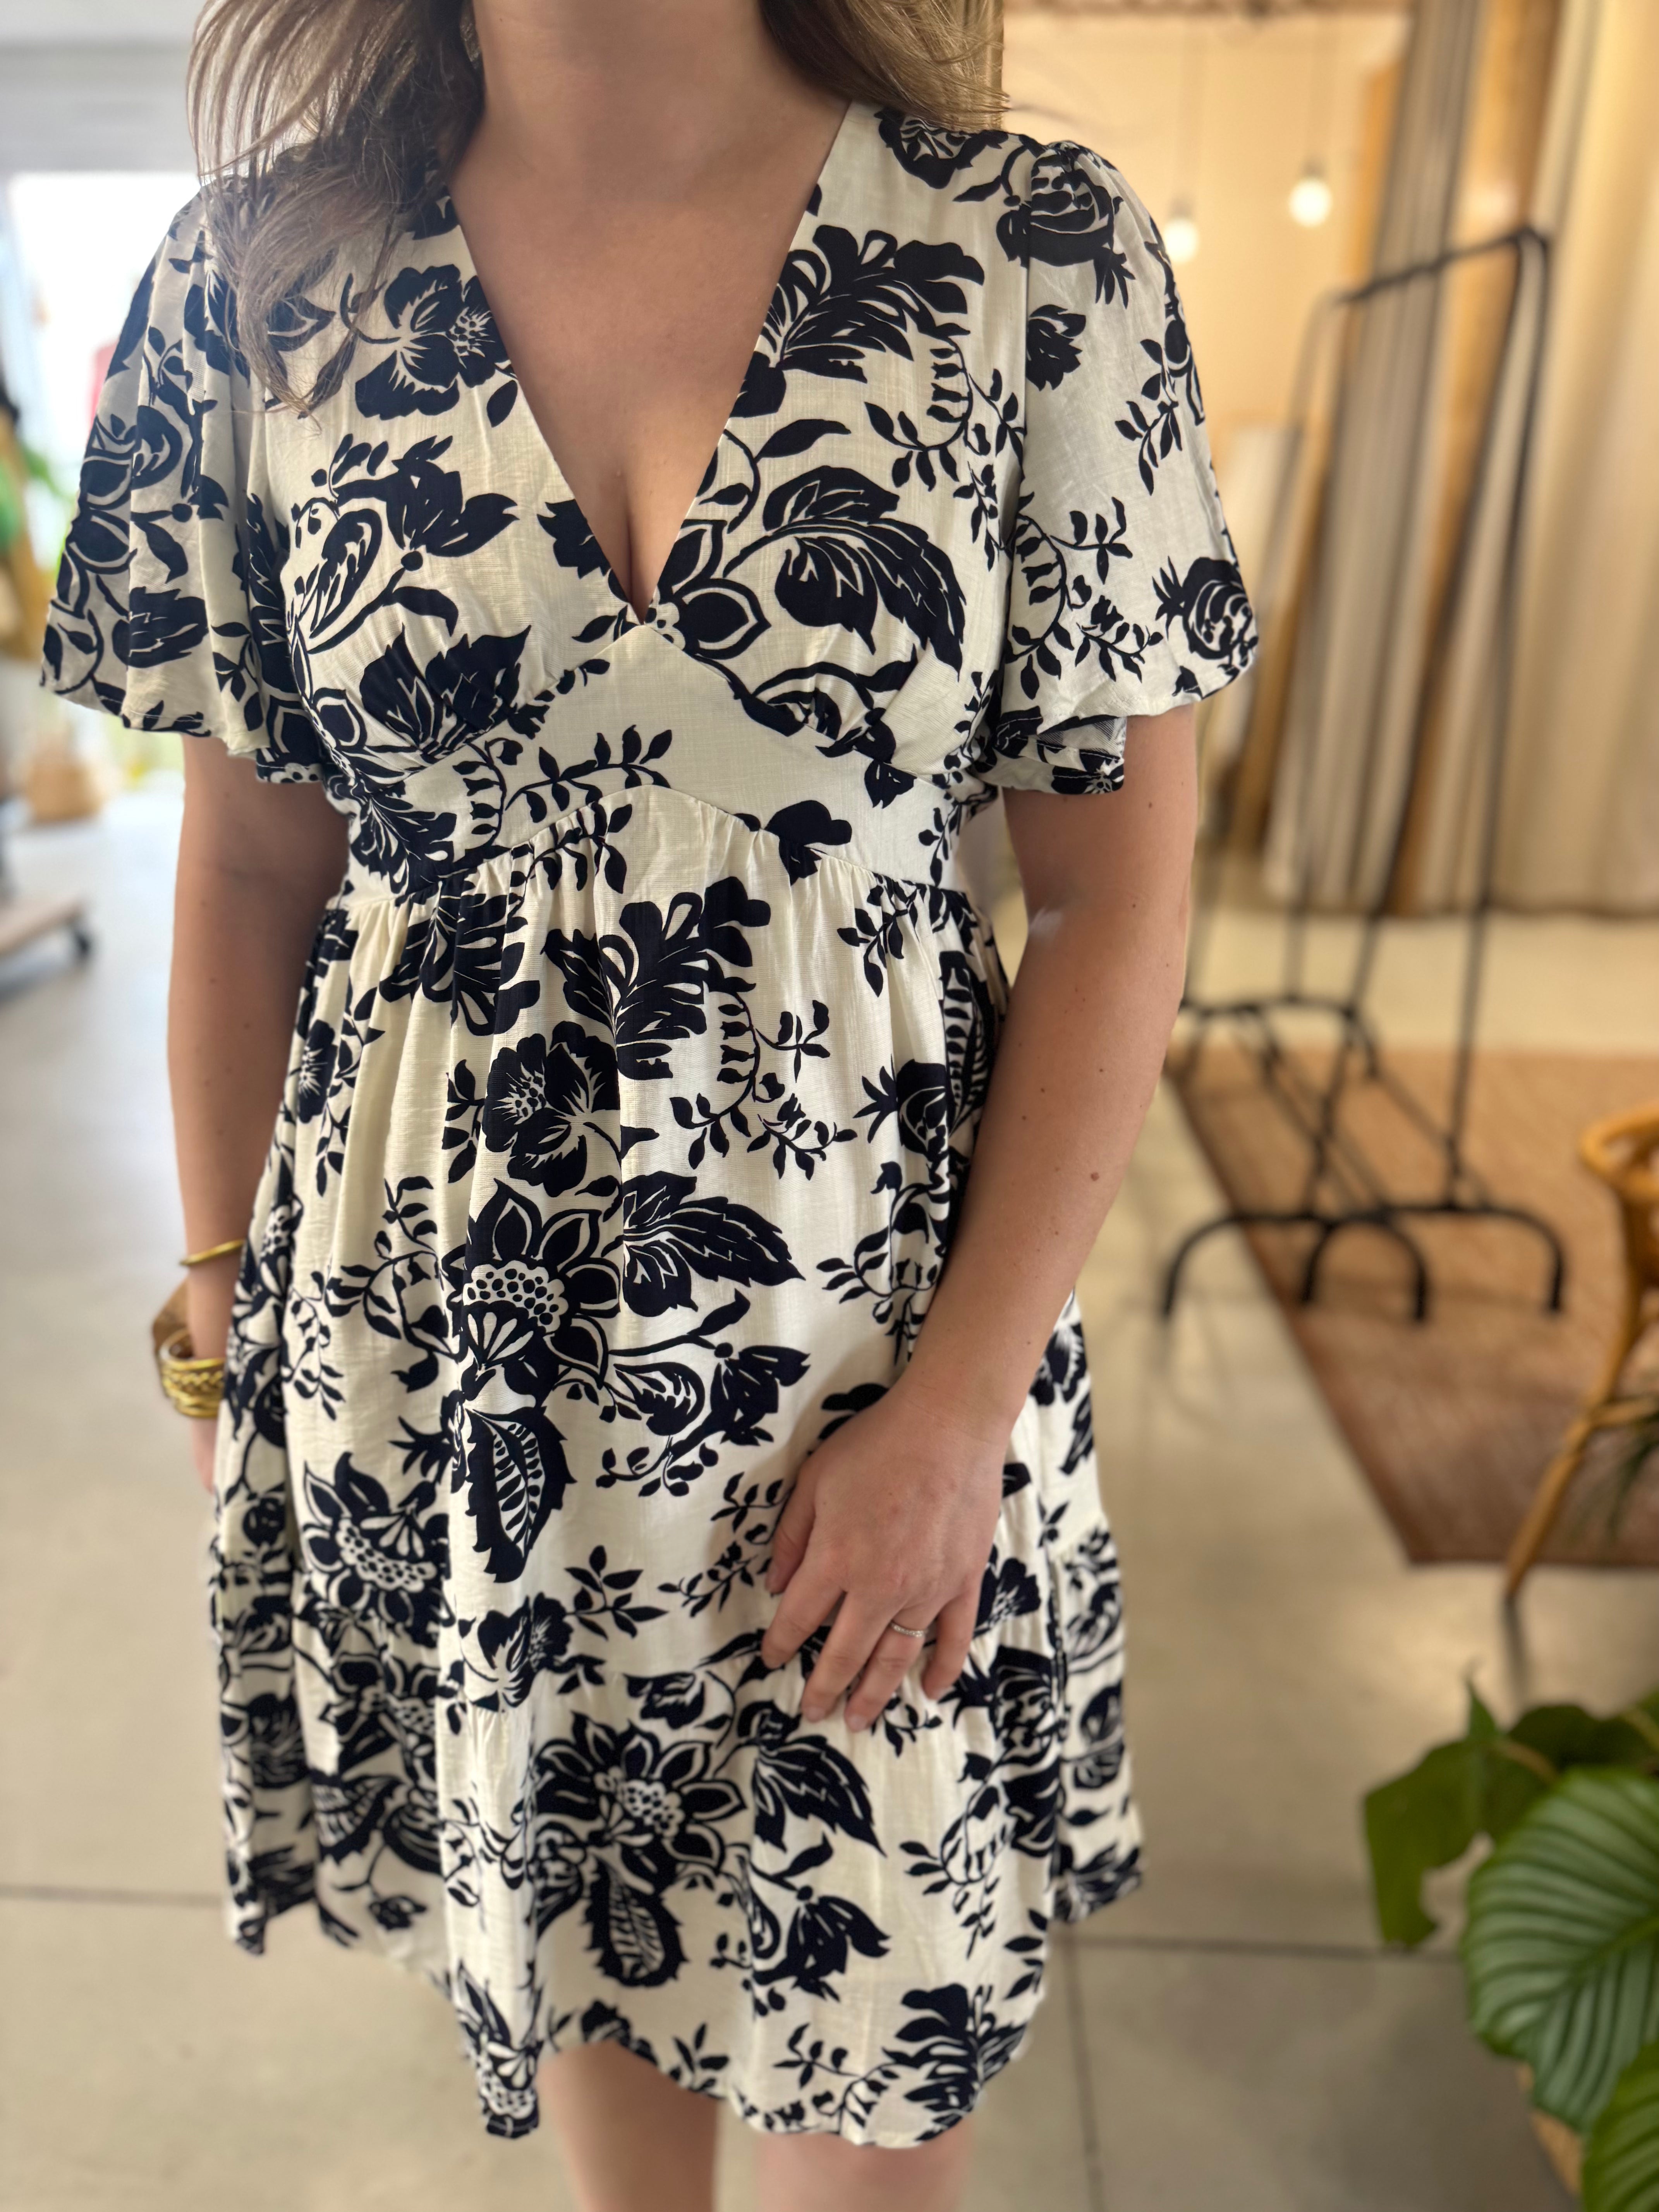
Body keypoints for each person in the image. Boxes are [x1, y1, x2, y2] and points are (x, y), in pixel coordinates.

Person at [41, 3, 1256, 2205]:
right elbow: (244, 875)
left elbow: (1112, 896)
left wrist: (959, 1414)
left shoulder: (1030, 254)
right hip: (451, 1351)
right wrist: (222, 1307)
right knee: (587, 1948)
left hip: (874, 1347)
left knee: (878, 2049)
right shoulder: (263, 278)